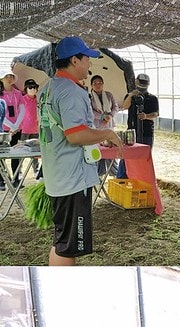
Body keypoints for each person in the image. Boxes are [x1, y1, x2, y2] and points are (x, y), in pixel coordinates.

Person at [37, 36, 122, 266]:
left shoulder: (47, 88)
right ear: (74, 60)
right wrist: (107, 134)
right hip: (73, 179)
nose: (89, 65)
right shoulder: (71, 92)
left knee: (62, 240)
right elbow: (75, 135)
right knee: (68, 248)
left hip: (58, 175)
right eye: (86, 59)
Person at [117, 73, 158, 178]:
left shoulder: (152, 98)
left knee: (144, 156)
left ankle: (142, 177)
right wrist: (131, 95)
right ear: (136, 82)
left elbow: (156, 114)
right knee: (126, 156)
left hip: (147, 132)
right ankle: (122, 178)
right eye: (140, 83)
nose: (142, 86)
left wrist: (146, 116)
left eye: (144, 84)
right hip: (131, 131)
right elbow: (125, 106)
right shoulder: (131, 96)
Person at [88, 75, 119, 176]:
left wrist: (110, 116)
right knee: (99, 149)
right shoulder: (89, 97)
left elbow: (115, 107)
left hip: (109, 125)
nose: (98, 85)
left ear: (103, 84)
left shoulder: (109, 95)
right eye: (95, 83)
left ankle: (113, 172)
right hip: (97, 126)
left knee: (111, 148)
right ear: (91, 85)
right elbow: (90, 111)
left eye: (100, 83)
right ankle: (99, 173)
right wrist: (102, 117)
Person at [1, 71, 26, 190]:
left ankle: (16, 178)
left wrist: (16, 126)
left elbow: (22, 109)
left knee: (16, 154)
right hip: (3, 129)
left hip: (16, 129)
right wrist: (11, 125)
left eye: (11, 76)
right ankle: (1, 179)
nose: (9, 78)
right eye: (7, 76)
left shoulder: (17, 93)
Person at [20, 79, 40, 177]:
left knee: (35, 151)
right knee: (20, 150)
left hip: (36, 129)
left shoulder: (39, 99)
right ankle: (19, 170)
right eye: (30, 87)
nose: (32, 89)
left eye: (34, 87)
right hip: (24, 129)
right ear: (26, 89)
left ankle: (35, 169)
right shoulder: (22, 99)